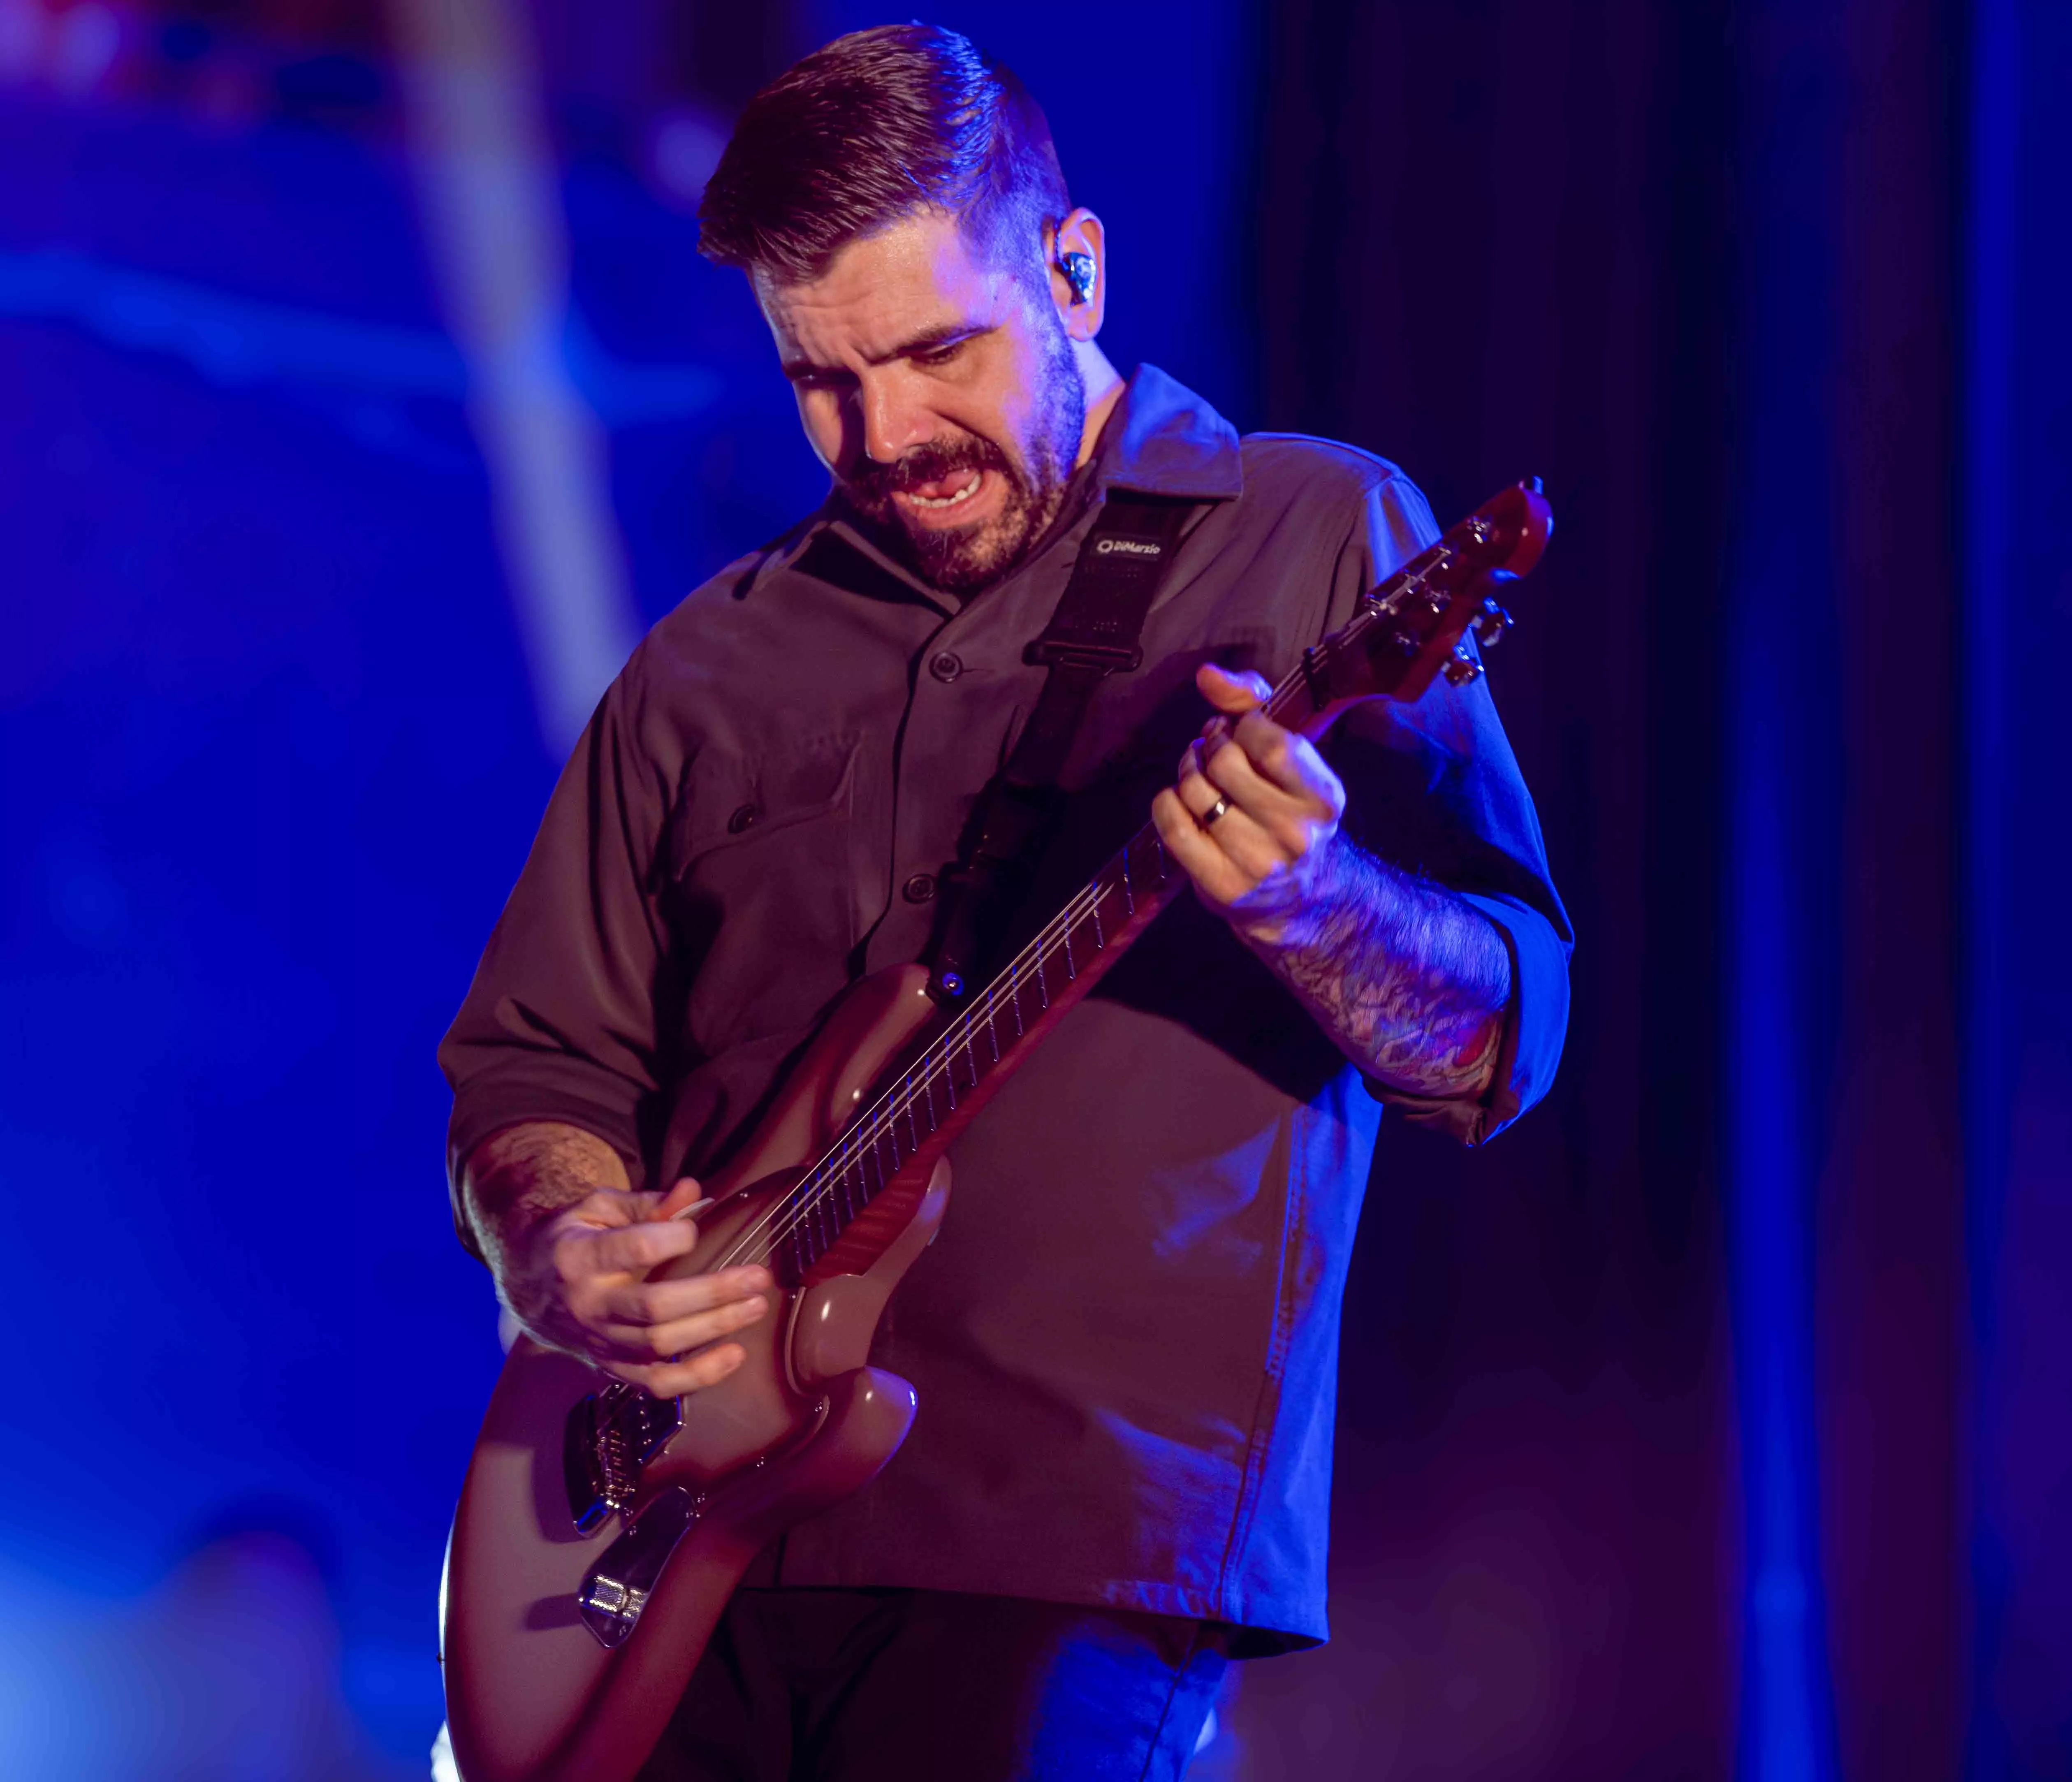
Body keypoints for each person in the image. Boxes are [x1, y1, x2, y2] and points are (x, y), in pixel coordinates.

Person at [439, 23, 1569, 1780]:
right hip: (665, 1545)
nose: (884, 435)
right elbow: (533, 1074)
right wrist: (568, 1247)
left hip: (1064, 1542)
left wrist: (1314, 900)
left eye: (936, 351)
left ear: (1076, 268)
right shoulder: (705, 664)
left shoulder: (1307, 532)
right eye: (822, 380)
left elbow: (1500, 1030)